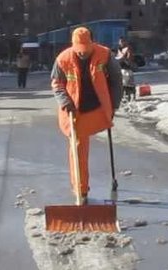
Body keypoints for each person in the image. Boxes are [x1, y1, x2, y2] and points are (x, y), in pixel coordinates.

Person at [51, 27, 122, 203]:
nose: (82, 53)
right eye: (79, 49)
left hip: (98, 108)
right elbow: (57, 84)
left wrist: (113, 105)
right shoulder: (63, 59)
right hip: (74, 111)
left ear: (92, 42)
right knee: (77, 148)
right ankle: (80, 191)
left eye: (86, 48)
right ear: (73, 45)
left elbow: (116, 81)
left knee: (80, 145)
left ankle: (82, 189)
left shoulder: (105, 55)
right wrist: (65, 102)